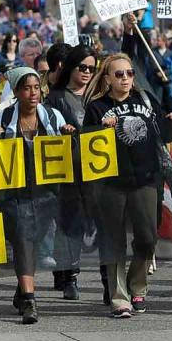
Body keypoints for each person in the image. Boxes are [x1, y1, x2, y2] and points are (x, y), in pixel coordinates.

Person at [84, 53, 172, 318]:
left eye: (129, 73)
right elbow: (85, 144)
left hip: (145, 179)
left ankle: (138, 285)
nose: (126, 78)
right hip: (110, 184)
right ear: (107, 78)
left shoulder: (145, 99)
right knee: (113, 241)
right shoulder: (97, 107)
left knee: (147, 239)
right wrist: (100, 129)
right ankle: (119, 297)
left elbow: (162, 134)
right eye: (119, 74)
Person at [0, 67, 74, 325]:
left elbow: (70, 154)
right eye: (26, 88)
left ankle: (21, 288)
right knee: (22, 240)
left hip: (46, 192)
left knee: (36, 243)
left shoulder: (53, 116)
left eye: (36, 88)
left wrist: (68, 137)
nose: (32, 93)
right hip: (13, 192)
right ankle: (30, 300)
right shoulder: (3, 118)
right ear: (16, 92)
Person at [46, 45, 99, 302]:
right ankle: (70, 276)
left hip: (97, 170)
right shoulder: (55, 98)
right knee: (70, 223)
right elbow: (43, 128)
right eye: (83, 67)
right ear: (71, 68)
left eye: (92, 68)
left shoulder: (99, 97)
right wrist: (60, 130)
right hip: (65, 170)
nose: (88, 72)